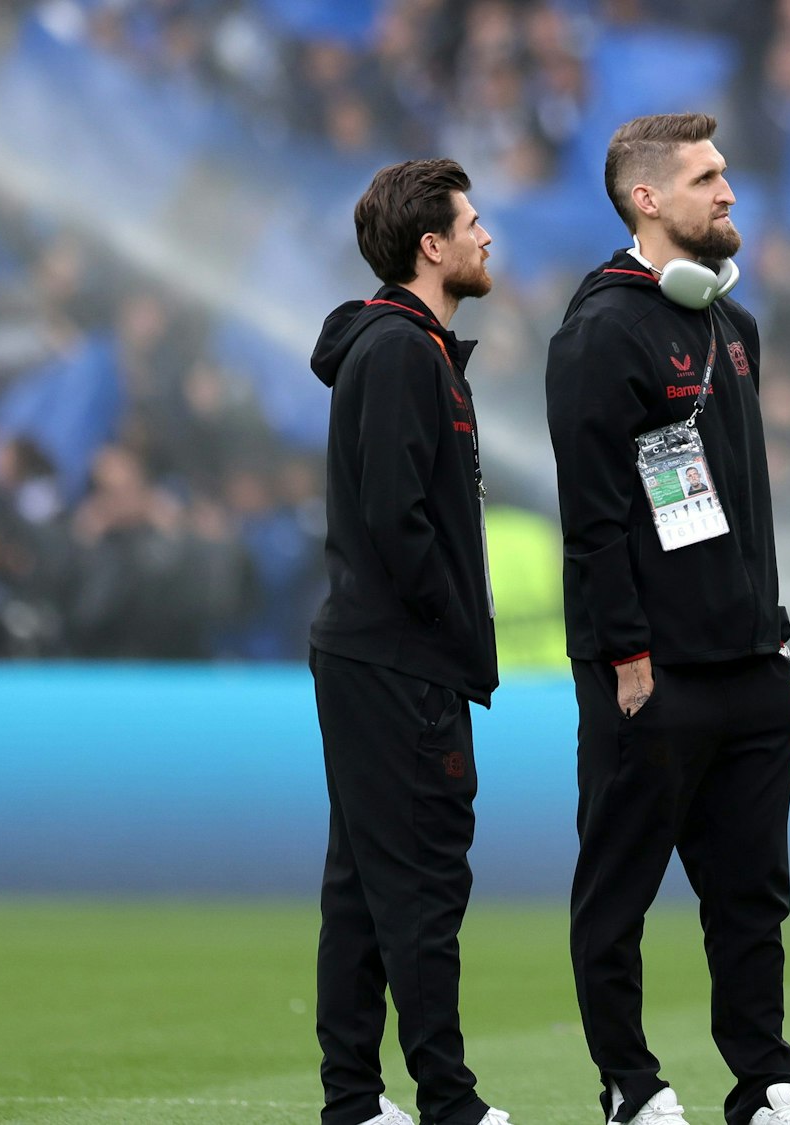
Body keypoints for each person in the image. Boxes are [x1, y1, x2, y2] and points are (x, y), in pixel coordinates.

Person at [546, 113, 790, 1125]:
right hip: (650, 670)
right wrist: (625, 651)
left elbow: (738, 499)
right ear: (647, 198)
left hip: (749, 666)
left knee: (751, 895)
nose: (728, 191)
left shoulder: (732, 326)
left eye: (725, 173)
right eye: (706, 177)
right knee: (617, 893)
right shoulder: (599, 332)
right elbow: (592, 517)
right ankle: (631, 1085)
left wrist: (769, 628)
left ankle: (766, 1083)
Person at [307, 158, 507, 1125]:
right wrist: (450, 622)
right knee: (423, 874)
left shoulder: (408, 346)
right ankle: (448, 1101)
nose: (486, 236)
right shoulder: (399, 351)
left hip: (379, 652)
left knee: (362, 880)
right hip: (398, 656)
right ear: (431, 246)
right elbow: (397, 516)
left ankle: (353, 1099)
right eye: (471, 224)